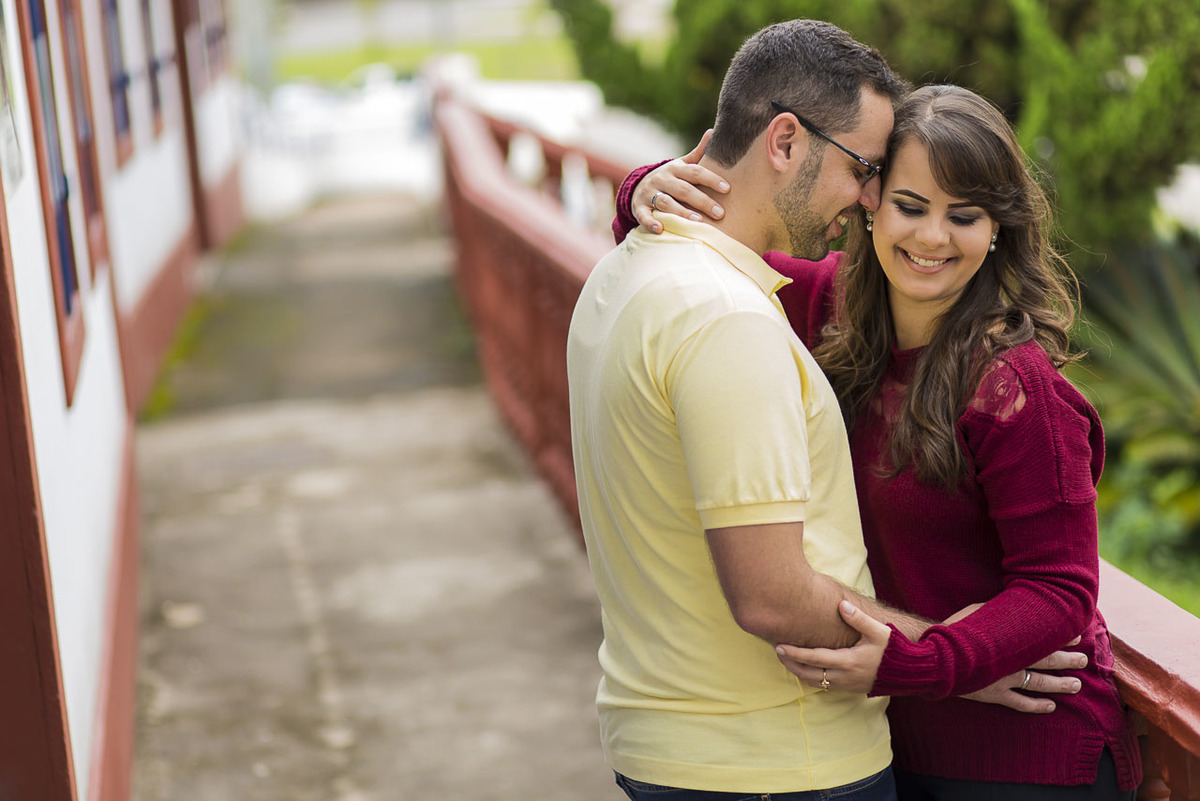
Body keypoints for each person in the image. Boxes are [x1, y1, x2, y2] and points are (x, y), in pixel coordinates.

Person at [569, 21, 1075, 801]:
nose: (923, 230)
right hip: (851, 739)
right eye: (892, 191)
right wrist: (647, 188)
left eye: (966, 215)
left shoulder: (1014, 383)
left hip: (1017, 748)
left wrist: (938, 658)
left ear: (998, 229)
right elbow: (715, 254)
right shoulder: (823, 308)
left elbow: (1063, 589)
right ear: (784, 142)